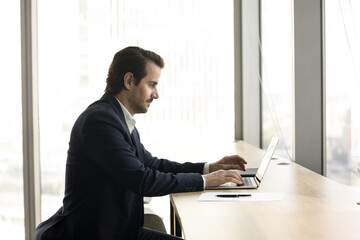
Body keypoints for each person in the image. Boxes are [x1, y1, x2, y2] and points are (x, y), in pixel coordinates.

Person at [34, 46, 247, 240]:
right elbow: (142, 179)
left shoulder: (119, 119)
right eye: (151, 84)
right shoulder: (100, 121)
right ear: (129, 81)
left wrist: (208, 168)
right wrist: (205, 181)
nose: (156, 94)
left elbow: (152, 164)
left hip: (120, 231)